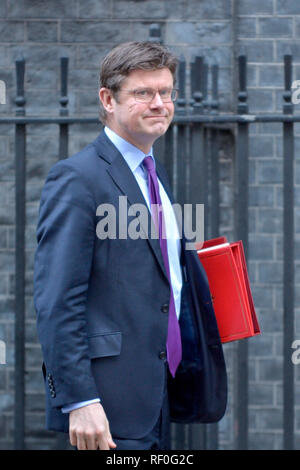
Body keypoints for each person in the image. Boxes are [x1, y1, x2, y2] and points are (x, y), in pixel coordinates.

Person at [34, 41, 227, 451]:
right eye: (143, 93)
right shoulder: (77, 179)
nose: (159, 103)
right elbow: (57, 301)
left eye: (166, 92)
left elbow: (162, 276)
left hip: (161, 390)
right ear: (108, 99)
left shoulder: (153, 175)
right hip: (108, 404)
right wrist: (80, 400)